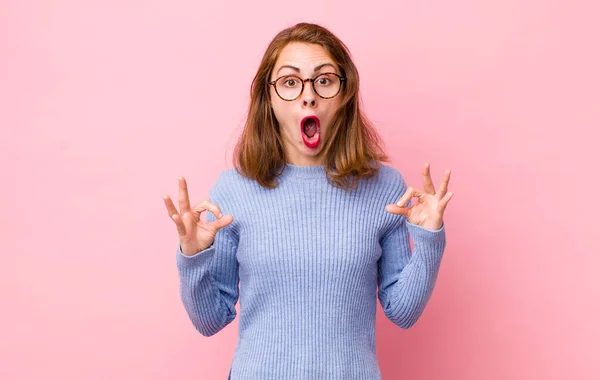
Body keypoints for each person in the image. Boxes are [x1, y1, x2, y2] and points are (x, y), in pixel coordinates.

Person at [163, 22, 453, 380]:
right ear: (268, 99)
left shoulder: (384, 187)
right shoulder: (233, 191)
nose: (308, 95)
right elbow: (209, 321)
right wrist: (192, 257)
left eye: (324, 80)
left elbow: (403, 312)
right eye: (289, 82)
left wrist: (428, 240)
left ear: (344, 95)